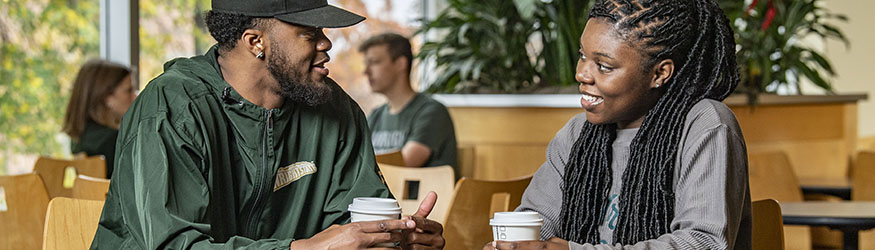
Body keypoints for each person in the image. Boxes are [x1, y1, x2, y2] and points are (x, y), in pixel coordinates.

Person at [91, 1, 444, 249]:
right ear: (255, 41)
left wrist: (396, 239)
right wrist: (304, 249)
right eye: (309, 32)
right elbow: (172, 246)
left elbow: (356, 227)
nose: (327, 42)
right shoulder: (172, 109)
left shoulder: (337, 111)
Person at [486, 0, 750, 249]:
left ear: (659, 73)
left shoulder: (704, 124)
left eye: (603, 66)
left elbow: (704, 242)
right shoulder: (577, 134)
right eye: (582, 56)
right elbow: (536, 224)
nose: (581, 74)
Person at [359, 33, 457, 169]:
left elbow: (404, 163)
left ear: (400, 64)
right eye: (366, 64)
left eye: (374, 62)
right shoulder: (376, 116)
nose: (366, 71)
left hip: (420, 191)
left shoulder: (432, 111)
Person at [62, 59, 136, 177]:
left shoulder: (78, 139)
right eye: (128, 91)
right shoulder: (113, 141)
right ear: (106, 98)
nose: (135, 96)